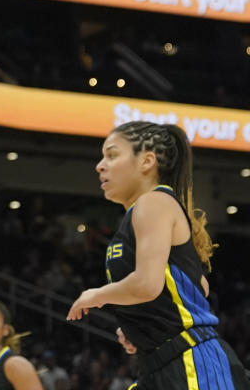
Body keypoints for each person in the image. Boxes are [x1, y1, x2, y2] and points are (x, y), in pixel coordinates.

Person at [68, 122, 250, 389]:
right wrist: (141, 329)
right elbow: (199, 286)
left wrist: (96, 295)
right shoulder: (139, 215)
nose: (100, 165)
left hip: (192, 362)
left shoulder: (153, 202)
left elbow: (147, 285)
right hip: (158, 363)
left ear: (147, 161)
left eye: (112, 154)